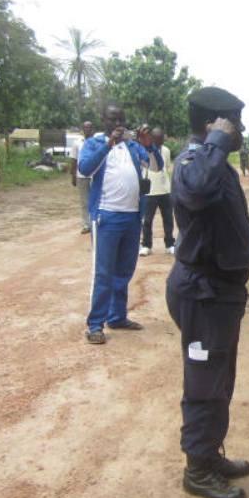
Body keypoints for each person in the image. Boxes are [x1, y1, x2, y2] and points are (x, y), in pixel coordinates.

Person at [166, 86, 249, 498]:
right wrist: (218, 140)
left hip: (221, 294)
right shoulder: (192, 162)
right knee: (204, 384)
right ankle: (197, 471)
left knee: (219, 381)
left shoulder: (213, 161)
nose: (241, 129)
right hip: (203, 294)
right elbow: (197, 191)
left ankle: (209, 454)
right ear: (213, 124)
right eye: (234, 122)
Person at [79, 104, 157, 345]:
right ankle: (95, 325)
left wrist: (149, 145)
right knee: (104, 273)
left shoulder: (132, 146)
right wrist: (108, 144)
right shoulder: (94, 143)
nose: (118, 123)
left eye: (121, 119)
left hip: (132, 217)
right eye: (113, 119)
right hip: (106, 217)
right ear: (103, 120)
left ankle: (117, 317)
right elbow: (85, 169)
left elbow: (156, 166)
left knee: (124, 270)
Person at [139, 126, 176, 256]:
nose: (159, 142)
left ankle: (170, 244)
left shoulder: (166, 150)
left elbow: (166, 167)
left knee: (168, 219)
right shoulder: (143, 150)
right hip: (150, 191)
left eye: (161, 139)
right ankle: (146, 245)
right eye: (157, 139)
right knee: (147, 220)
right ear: (151, 138)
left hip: (165, 190)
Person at [70, 121, 94, 234]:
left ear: (92, 129)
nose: (87, 129)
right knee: (84, 201)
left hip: (95, 175)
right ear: (82, 129)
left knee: (95, 200)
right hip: (81, 176)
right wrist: (73, 175)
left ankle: (95, 222)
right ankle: (86, 224)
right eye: (85, 127)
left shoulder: (96, 142)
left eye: (89, 127)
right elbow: (74, 160)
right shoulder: (77, 143)